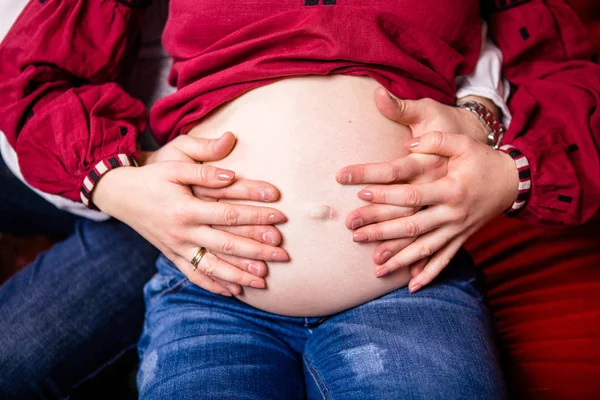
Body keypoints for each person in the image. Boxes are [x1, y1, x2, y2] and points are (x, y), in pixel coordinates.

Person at [0, 0, 598, 398]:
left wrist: (508, 173)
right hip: (210, 285)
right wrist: (113, 179)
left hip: (410, 284)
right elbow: (35, 73)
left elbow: (570, 69)